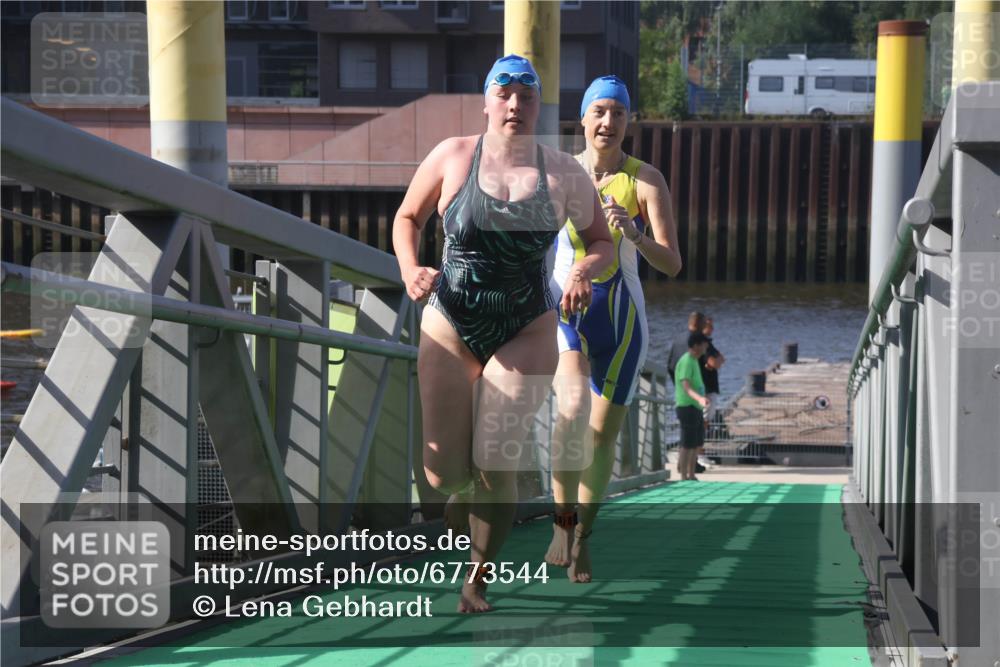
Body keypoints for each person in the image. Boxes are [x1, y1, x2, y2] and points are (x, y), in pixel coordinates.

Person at [392, 55, 614, 613]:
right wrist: (408, 267)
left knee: (497, 460)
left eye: (527, 96)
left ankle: (477, 578)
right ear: (487, 100)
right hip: (450, 318)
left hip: (527, 324)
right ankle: (460, 494)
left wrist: (583, 271)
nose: (515, 106)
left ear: (539, 104)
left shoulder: (564, 172)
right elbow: (407, 218)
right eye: (504, 94)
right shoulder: (452, 155)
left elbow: (602, 242)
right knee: (442, 471)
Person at [546, 75, 682, 583]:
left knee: (601, 437)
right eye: (598, 111)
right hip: (565, 312)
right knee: (570, 413)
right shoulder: (558, 174)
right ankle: (561, 523)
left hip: (623, 320)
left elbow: (671, 263)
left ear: (629, 121)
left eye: (618, 113)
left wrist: (635, 233)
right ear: (582, 119)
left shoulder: (646, 180)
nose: (607, 122)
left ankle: (582, 539)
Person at [675, 331, 711, 481]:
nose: (706, 347)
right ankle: (684, 475)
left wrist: (702, 399)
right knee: (687, 443)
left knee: (696, 442)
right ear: (696, 345)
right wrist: (700, 398)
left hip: (695, 406)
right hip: (686, 406)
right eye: (704, 344)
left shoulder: (695, 360)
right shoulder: (686, 361)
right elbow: (686, 386)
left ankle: (691, 473)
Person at [698, 316, 725, 449]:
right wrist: (715, 363)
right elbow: (714, 362)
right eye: (710, 326)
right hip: (705, 389)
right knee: (703, 420)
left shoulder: (709, 343)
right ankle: (699, 450)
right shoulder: (703, 344)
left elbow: (721, 359)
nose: (713, 329)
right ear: (703, 326)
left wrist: (716, 362)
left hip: (709, 388)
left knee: (706, 420)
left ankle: (699, 448)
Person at [666, 311, 706, 383]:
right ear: (696, 323)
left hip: (680, 385)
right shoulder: (698, 340)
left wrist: (678, 384)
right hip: (694, 386)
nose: (705, 327)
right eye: (704, 324)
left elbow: (670, 365)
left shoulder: (678, 339)